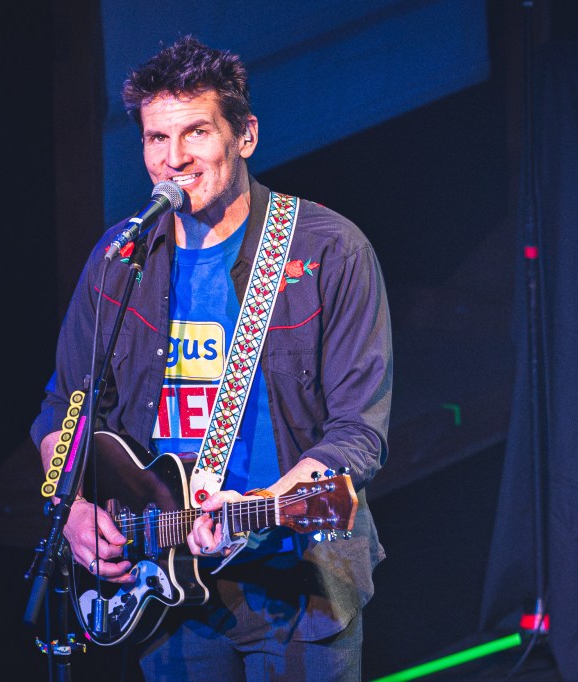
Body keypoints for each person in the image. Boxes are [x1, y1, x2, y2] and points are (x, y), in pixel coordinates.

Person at [31, 35, 392, 681]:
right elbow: (68, 406)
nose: (175, 159)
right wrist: (75, 505)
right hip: (163, 582)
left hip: (298, 577)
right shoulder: (121, 259)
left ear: (244, 135)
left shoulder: (329, 252)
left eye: (196, 132)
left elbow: (358, 431)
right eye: (155, 139)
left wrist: (267, 507)